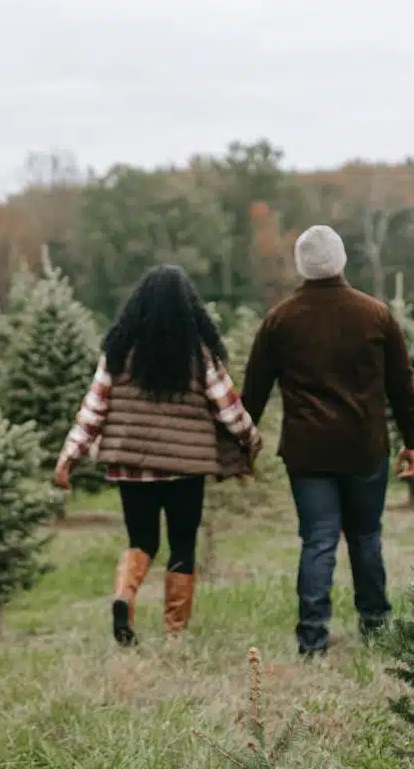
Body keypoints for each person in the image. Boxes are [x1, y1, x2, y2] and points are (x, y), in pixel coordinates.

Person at [240, 225, 414, 659]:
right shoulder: (376, 315)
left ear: (302, 265)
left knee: (318, 539)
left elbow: (253, 393)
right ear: (341, 260)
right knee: (365, 536)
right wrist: (412, 440)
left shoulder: (280, 320)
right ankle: (376, 624)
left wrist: (241, 445)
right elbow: (402, 385)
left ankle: (313, 639)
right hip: (365, 446)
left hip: (307, 452)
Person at [54, 265, 261, 644]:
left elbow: (93, 408)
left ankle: (124, 596)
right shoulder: (199, 355)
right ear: (189, 308)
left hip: (130, 469)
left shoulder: (118, 354)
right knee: (182, 543)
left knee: (142, 541)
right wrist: (251, 441)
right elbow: (230, 410)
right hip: (185, 472)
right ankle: (175, 633)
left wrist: (69, 455)